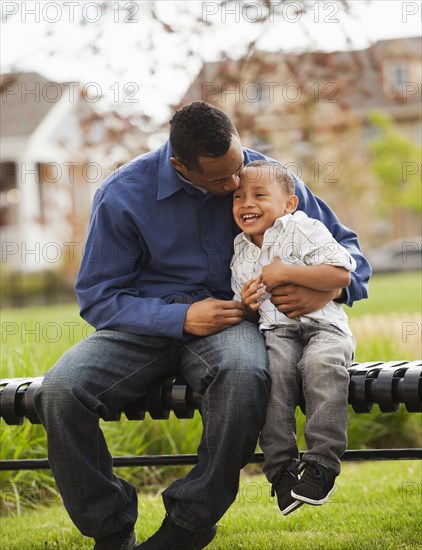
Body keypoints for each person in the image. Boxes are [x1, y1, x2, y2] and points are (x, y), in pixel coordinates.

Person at [34, 101, 371, 550]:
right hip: (139, 327)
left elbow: (349, 253)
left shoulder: (262, 176)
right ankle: (110, 530)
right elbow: (98, 297)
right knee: (60, 392)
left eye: (238, 167)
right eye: (222, 180)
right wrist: (181, 317)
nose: (237, 185)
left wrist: (324, 291)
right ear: (180, 165)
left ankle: (189, 525)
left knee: (245, 374)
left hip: (232, 324)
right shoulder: (122, 195)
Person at [231, 160, 358, 517]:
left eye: (259, 195)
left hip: (324, 328)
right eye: (238, 197)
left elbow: (341, 274)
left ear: (288, 204)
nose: (246, 203)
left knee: (321, 366)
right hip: (278, 333)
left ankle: (321, 464)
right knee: (273, 376)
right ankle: (282, 471)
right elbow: (250, 310)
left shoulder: (304, 229)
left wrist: (287, 271)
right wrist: (248, 304)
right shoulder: (240, 251)